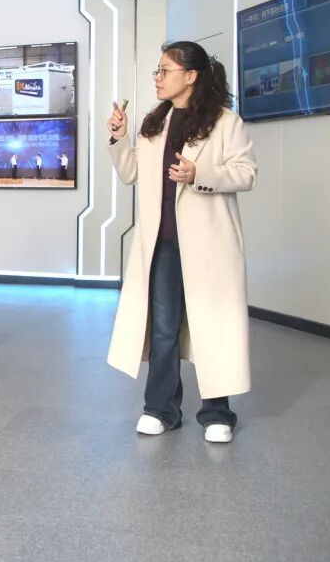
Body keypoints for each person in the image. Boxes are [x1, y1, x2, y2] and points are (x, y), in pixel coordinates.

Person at [106, 40, 256, 444]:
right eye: (157, 71)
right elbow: (131, 173)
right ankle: (160, 409)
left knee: (213, 325)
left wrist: (198, 174)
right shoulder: (155, 122)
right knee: (164, 328)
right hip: (162, 244)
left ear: (190, 76)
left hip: (210, 246)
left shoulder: (225, 122)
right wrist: (119, 138)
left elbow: (246, 173)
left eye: (164, 71)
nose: (157, 78)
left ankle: (217, 413)